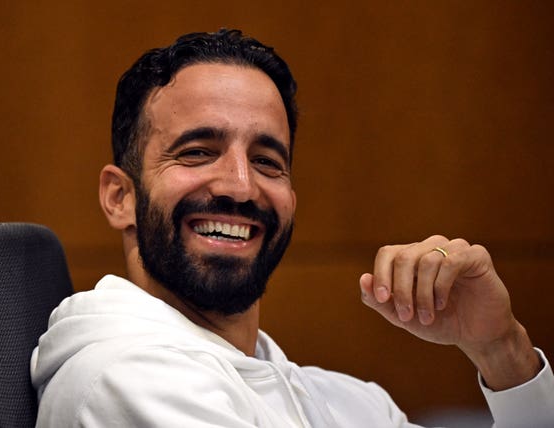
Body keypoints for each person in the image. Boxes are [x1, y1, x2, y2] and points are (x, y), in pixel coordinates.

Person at [30, 29, 554, 427]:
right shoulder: (123, 381)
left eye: (268, 161)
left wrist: (501, 351)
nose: (240, 185)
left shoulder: (347, 400)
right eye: (197, 152)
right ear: (119, 197)